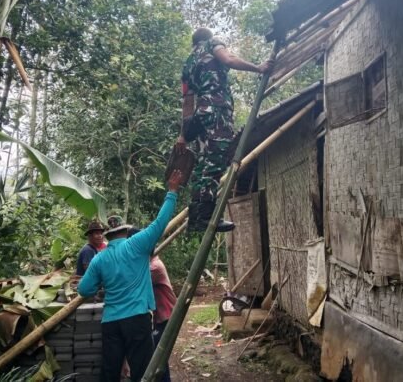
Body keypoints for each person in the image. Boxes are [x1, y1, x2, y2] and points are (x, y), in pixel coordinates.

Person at [78, 170, 183, 382]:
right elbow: (159, 223)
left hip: (111, 322)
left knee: (110, 372)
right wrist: (172, 192)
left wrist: (101, 284)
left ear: (107, 235)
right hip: (137, 319)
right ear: (126, 231)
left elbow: (83, 289)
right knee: (142, 371)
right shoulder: (137, 244)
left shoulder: (99, 258)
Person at [177, 27, 273, 232]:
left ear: (193, 43)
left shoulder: (188, 65)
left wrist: (183, 135)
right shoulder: (212, 44)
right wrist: (258, 68)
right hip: (217, 112)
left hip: (200, 116)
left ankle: (196, 217)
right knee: (215, 162)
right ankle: (205, 216)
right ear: (207, 39)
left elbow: (187, 101)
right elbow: (228, 59)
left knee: (203, 164)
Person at [127, 228, 177, 382]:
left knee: (158, 356)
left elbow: (133, 283)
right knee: (157, 354)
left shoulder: (153, 267)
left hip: (166, 315)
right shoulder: (150, 263)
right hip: (160, 315)